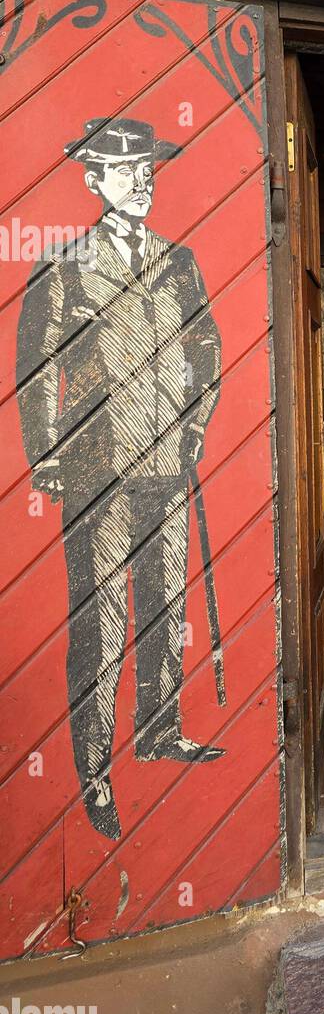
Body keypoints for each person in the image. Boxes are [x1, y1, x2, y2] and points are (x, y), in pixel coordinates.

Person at [16, 118, 224, 840]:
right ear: (93, 179)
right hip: (98, 471)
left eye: (148, 168)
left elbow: (208, 348)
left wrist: (194, 429)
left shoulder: (180, 261)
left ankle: (160, 731)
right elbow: (39, 366)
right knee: (102, 627)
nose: (140, 179)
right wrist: (47, 454)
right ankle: (95, 771)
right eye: (123, 168)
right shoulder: (66, 265)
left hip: (167, 462)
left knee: (167, 608)